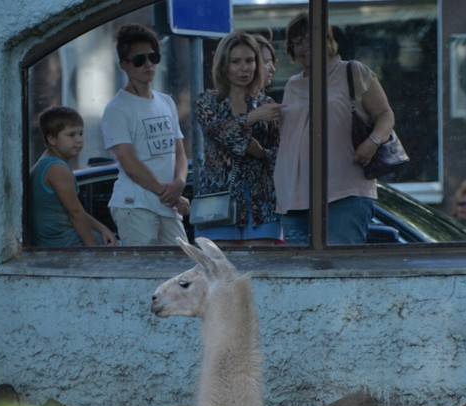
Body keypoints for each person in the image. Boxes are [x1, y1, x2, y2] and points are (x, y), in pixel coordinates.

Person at [274, 14, 396, 245]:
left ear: (327, 40)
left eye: (309, 40)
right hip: (293, 195)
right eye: (297, 42)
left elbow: (385, 114)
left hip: (344, 191)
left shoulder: (353, 71)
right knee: (299, 274)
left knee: (339, 266)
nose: (303, 48)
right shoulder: (292, 84)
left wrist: (373, 142)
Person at [101, 24, 189, 246]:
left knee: (182, 270)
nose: (148, 64)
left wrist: (180, 181)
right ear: (124, 65)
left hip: (167, 205)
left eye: (153, 57)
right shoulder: (117, 108)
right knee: (143, 274)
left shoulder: (166, 101)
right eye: (139, 60)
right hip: (134, 204)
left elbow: (179, 151)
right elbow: (129, 162)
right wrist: (168, 194)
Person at [193, 32, 282, 245]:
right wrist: (253, 118)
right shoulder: (207, 102)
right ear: (224, 65)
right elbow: (219, 132)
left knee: (259, 271)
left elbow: (279, 153)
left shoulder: (266, 102)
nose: (244, 68)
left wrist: (261, 153)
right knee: (220, 274)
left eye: (250, 60)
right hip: (217, 202)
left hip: (261, 204)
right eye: (236, 62)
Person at [30, 106, 116, 248]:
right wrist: (93, 250)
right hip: (63, 244)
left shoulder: (46, 162)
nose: (78, 140)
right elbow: (75, 213)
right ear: (52, 139)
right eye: (71, 135)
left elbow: (77, 210)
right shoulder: (57, 168)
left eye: (80, 133)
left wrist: (102, 228)